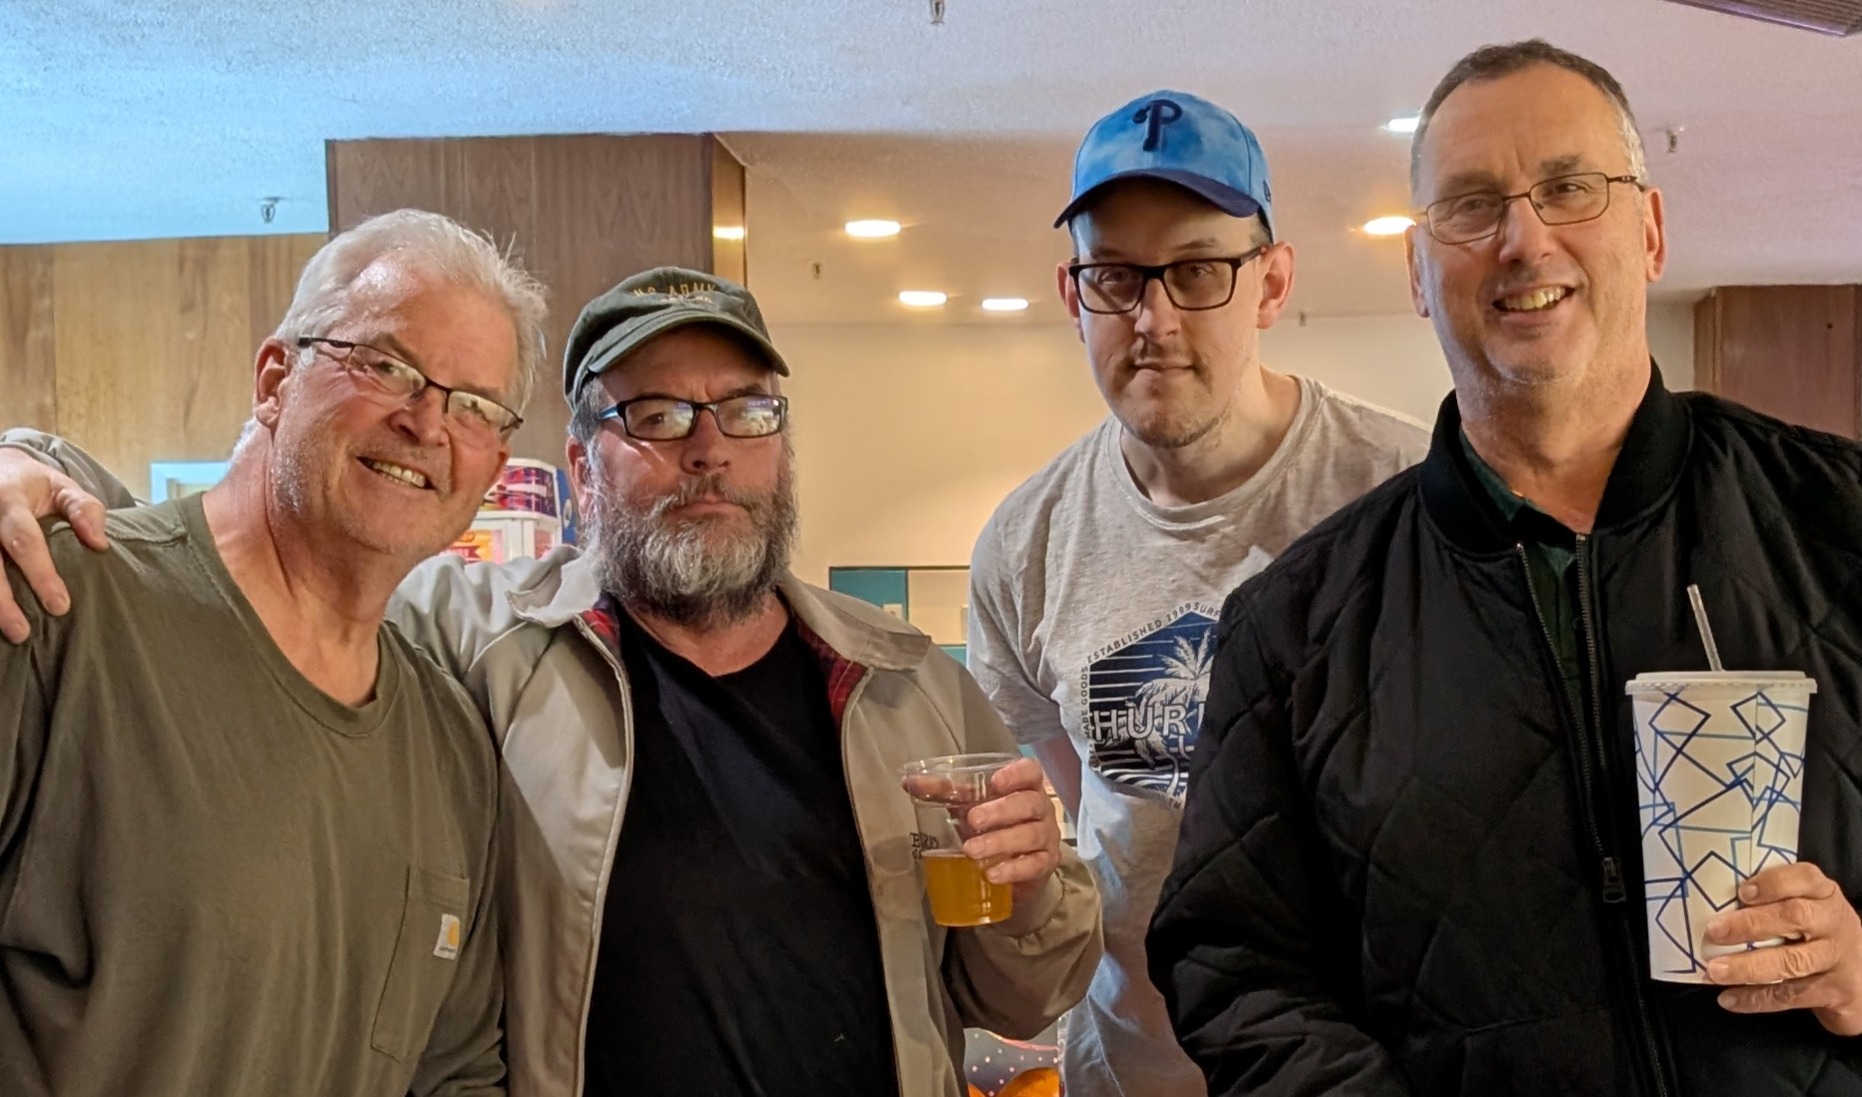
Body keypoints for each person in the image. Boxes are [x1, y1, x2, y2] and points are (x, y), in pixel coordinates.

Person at [0, 266, 1104, 1097]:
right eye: (655, 415)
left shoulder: (907, 684)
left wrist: (1027, 894)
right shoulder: (470, 639)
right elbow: (256, 560)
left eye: (746, 410)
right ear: (579, 469)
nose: (708, 447)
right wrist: (29, 460)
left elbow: (1025, 992)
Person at [1147, 39, 1862, 1097]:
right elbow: (1233, 969)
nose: (1523, 240)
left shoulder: (1836, 519)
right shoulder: (1292, 624)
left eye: (1569, 188)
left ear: (1649, 231)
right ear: (1417, 270)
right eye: (1471, 206)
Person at [0, 209, 547, 1096]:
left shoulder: (454, 749)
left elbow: (453, 1072)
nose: (427, 423)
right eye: (387, 366)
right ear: (275, 378)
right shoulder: (57, 604)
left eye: (474, 406)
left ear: (494, 467)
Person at [965, 90, 1430, 1096]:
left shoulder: (1404, 496)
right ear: (1071, 294)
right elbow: (1088, 805)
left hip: (1365, 1071)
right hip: (1128, 1068)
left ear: (1271, 282)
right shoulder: (1024, 544)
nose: (1155, 318)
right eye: (1115, 275)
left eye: (1197, 270)